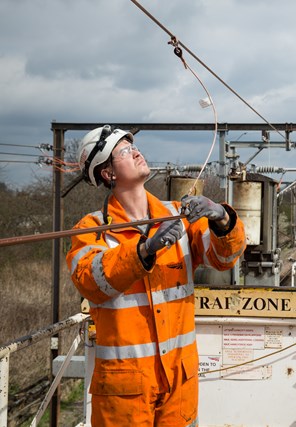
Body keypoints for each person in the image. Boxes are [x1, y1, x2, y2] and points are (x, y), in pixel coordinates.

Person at [66, 125, 246, 427]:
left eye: (133, 146)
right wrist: (144, 250)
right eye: (124, 150)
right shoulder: (92, 230)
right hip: (125, 395)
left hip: (178, 385)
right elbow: (91, 282)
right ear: (108, 173)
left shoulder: (178, 216)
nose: (136, 151)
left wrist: (222, 218)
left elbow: (223, 258)